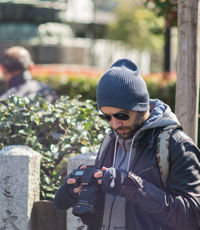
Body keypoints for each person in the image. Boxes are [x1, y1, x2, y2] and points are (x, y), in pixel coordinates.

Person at [54, 58, 200, 230]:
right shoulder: (111, 140)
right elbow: (62, 204)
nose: (114, 124)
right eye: (106, 117)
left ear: (140, 107)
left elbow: (192, 217)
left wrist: (132, 186)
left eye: (121, 116)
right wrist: (72, 190)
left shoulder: (176, 144)